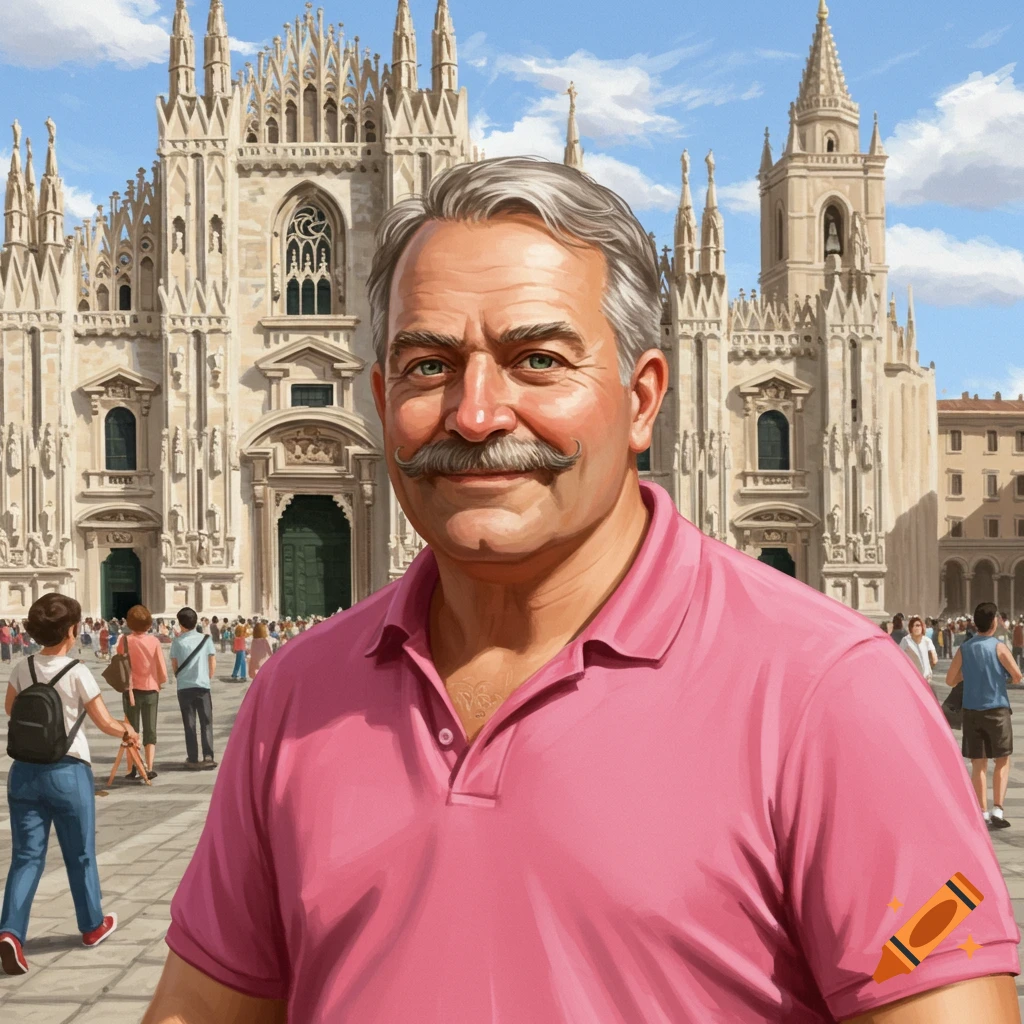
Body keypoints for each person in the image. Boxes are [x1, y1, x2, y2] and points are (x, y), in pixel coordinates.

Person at [143, 157, 1021, 1024]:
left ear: (642, 400)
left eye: (538, 359)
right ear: (379, 400)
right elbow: (200, 1009)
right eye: (427, 366)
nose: (476, 414)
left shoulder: (831, 691)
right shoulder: (296, 693)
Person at [1, 593, 140, 975]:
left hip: (24, 773)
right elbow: (103, 721)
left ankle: (10, 932)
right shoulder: (77, 671)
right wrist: (126, 731)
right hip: (67, 771)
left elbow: (12, 709)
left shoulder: (23, 667)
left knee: (26, 857)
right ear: (72, 630)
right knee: (79, 854)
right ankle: (92, 925)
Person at [947, 601, 1024, 830]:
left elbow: (950, 680)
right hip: (997, 709)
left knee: (978, 764)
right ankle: (998, 809)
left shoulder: (965, 648)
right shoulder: (999, 647)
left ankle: (982, 812)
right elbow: (1017, 676)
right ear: (994, 622)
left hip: (972, 711)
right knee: (1002, 759)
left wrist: (968, 676)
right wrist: (1001, 678)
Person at [116, 605, 167, 780]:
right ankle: (149, 766)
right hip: (151, 689)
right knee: (150, 729)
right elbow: (161, 667)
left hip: (130, 690)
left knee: (132, 730)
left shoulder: (124, 641)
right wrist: (160, 681)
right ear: (148, 624)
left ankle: (134, 767)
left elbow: (120, 662)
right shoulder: (154, 642)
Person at [169, 607, 217, 771]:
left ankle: (193, 757)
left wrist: (181, 677)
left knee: (189, 724)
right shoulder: (206, 639)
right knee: (206, 722)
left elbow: (174, 665)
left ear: (181, 624)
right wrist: (206, 677)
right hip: (203, 686)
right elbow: (212, 662)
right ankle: (208, 756)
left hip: (184, 687)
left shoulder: (177, 642)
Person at [900, 615, 937, 681]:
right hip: (911, 677)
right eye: (913, 626)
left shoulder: (927, 641)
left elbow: (934, 659)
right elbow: (899, 657)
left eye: (918, 625)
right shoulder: (905, 640)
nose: (915, 628)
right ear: (910, 628)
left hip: (926, 678)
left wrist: (928, 668)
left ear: (922, 627)